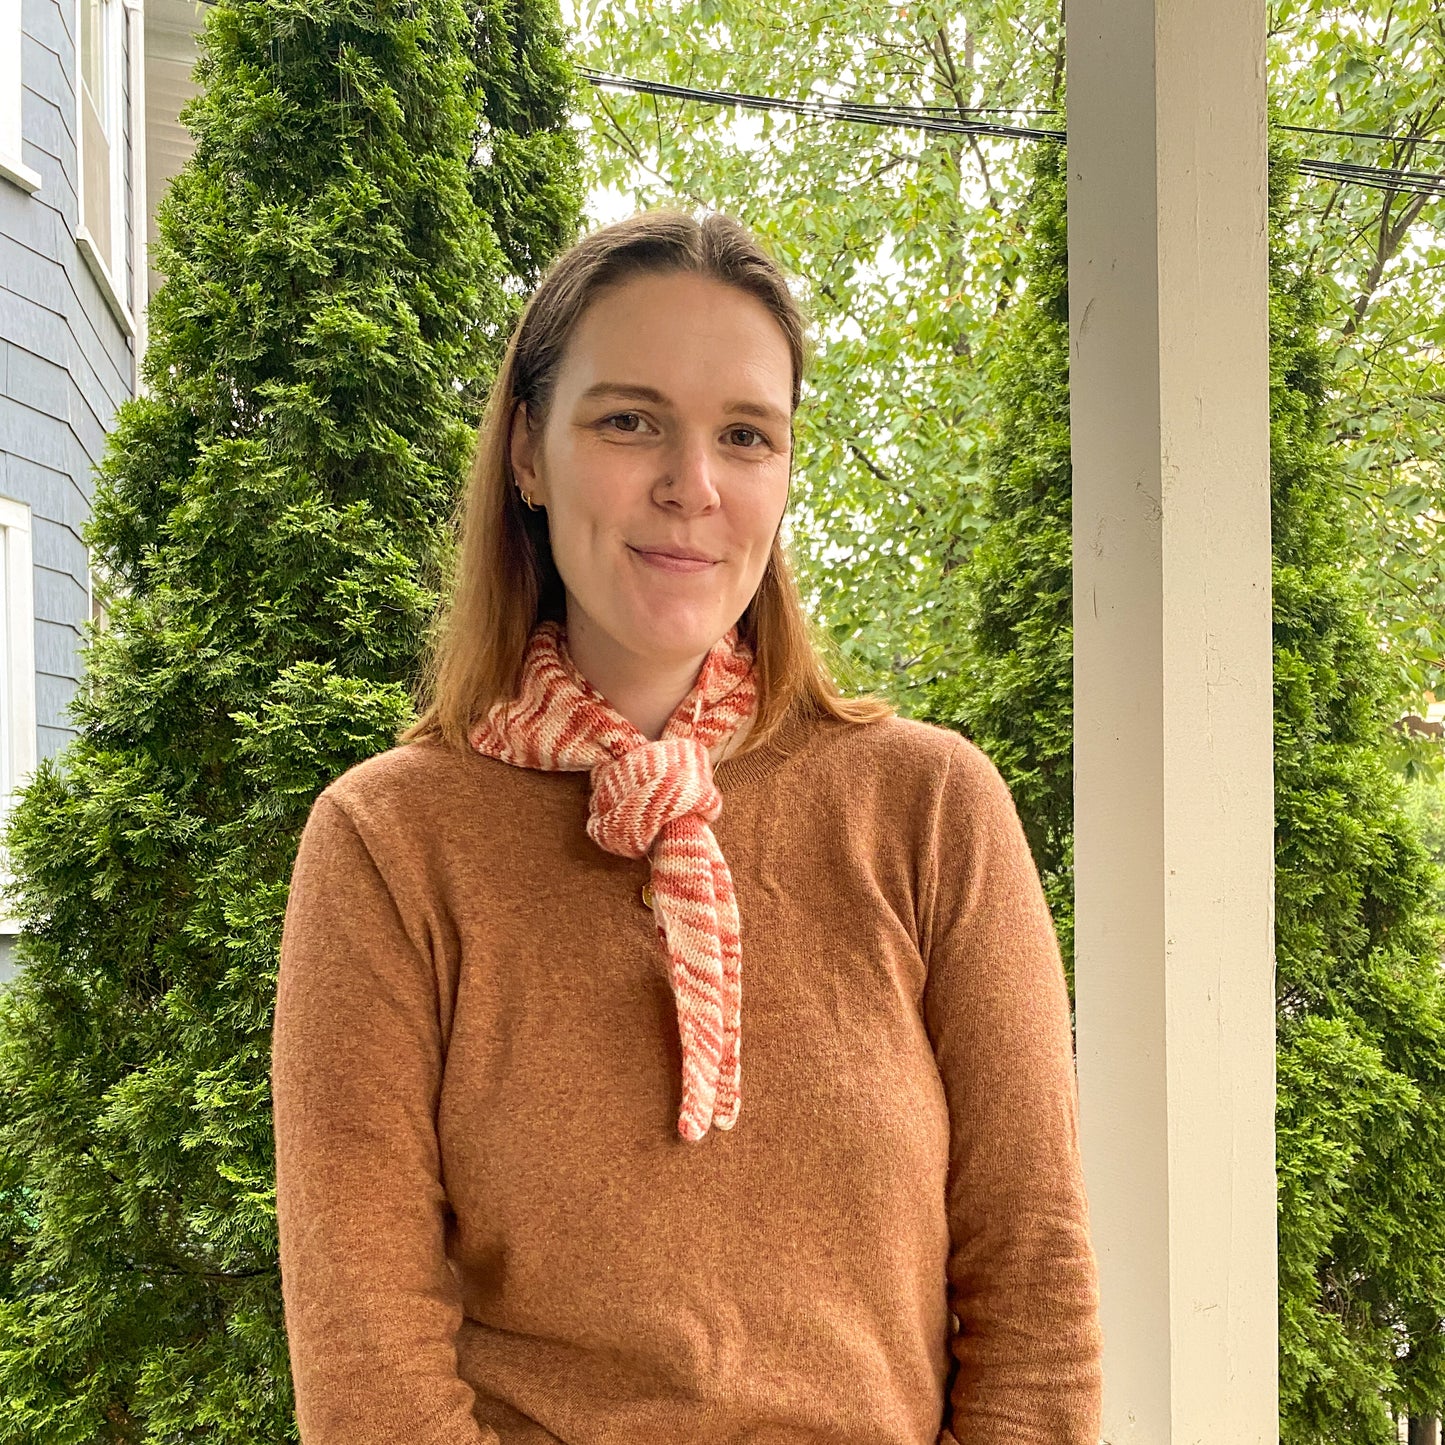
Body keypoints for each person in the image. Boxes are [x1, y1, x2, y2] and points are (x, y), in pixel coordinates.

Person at [270, 208, 1104, 1445]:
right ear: (527, 453)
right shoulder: (388, 843)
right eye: (628, 420)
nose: (691, 486)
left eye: (744, 434)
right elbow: (370, 1370)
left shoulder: (928, 810)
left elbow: (1034, 1291)